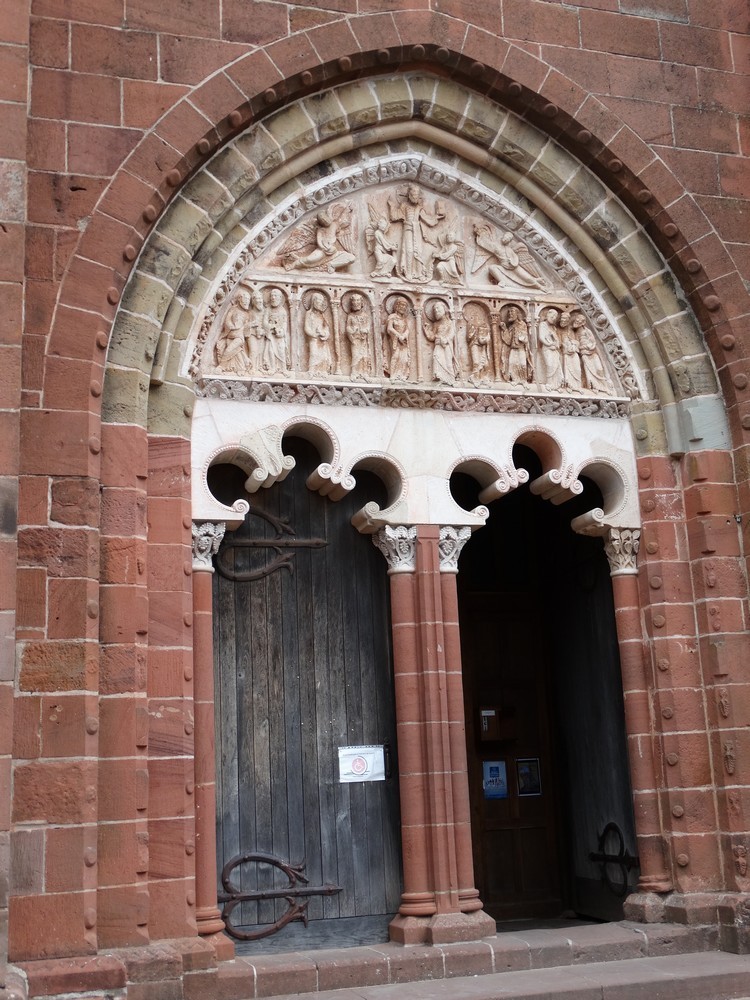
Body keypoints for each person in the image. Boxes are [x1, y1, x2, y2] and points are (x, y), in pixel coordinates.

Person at [388, 183, 444, 282]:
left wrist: (436, 217)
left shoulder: (419, 208)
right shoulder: (404, 205)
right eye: (413, 194)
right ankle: (408, 272)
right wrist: (392, 206)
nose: (415, 197)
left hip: (417, 231)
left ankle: (419, 274)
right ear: (409, 195)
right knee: (409, 250)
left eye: (417, 195)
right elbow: (395, 216)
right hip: (408, 229)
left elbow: (427, 219)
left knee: (418, 251)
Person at [575, 313, 614, 394]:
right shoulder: (575, 333)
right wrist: (582, 347)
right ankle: (593, 387)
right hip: (584, 352)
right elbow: (576, 344)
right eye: (576, 321)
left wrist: (591, 347)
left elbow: (593, 341)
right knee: (588, 369)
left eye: (579, 321)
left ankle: (603, 386)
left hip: (592, 351)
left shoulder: (587, 330)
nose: (577, 322)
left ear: (583, 323)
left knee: (599, 368)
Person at [215, 289, 249, 373]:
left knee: (229, 350)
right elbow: (227, 320)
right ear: (239, 299)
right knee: (236, 353)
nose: (246, 302)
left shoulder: (246, 314)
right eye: (245, 300)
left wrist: (247, 326)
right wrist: (232, 326)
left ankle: (221, 366)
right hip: (230, 335)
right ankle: (241, 368)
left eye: (248, 300)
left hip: (239, 337)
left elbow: (246, 329)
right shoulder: (233, 309)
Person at [426, 300, 460, 385]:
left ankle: (451, 379)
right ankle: (441, 378)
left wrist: (445, 339)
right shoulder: (435, 324)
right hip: (438, 345)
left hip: (447, 345)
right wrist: (426, 330)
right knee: (436, 358)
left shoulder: (449, 322)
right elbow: (432, 337)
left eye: (438, 309)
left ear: (444, 309)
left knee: (448, 361)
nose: (436, 311)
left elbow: (452, 333)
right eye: (434, 311)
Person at [499, 305, 532, 384]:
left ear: (517, 314)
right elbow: (508, 341)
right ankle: (515, 380)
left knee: (522, 364)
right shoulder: (511, 327)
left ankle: (523, 380)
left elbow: (526, 337)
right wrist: (504, 329)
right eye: (509, 312)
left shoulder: (522, 324)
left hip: (521, 348)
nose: (510, 314)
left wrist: (523, 338)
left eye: (512, 312)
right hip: (513, 348)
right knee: (512, 364)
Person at [261, 287, 289, 375]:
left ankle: (283, 369)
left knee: (281, 351)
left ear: (280, 298)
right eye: (272, 296)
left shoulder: (283, 311)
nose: (273, 298)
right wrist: (271, 326)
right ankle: (272, 368)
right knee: (270, 351)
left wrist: (282, 332)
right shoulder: (268, 309)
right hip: (270, 335)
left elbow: (284, 324)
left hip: (279, 336)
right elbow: (264, 322)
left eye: (275, 296)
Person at [345, 293, 372, 380]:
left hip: (363, 339)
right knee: (356, 355)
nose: (356, 303)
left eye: (358, 301)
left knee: (364, 356)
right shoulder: (350, 316)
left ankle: (364, 373)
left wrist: (366, 330)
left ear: (361, 303)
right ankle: (354, 372)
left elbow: (368, 326)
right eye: (354, 301)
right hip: (355, 339)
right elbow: (348, 327)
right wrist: (352, 330)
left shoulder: (365, 316)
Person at [304, 291, 333, 376]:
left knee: (323, 355)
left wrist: (324, 333)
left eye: (321, 301)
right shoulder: (309, 313)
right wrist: (313, 334)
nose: (320, 303)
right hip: (313, 339)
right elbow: (306, 327)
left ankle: (323, 370)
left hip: (322, 340)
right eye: (318, 300)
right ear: (313, 301)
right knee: (314, 354)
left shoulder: (322, 315)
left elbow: (327, 328)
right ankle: (312, 370)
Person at [536, 307, 564, 390]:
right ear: (548, 316)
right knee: (550, 364)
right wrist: (549, 344)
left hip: (554, 350)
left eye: (555, 318)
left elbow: (557, 340)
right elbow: (541, 337)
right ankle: (549, 383)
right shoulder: (542, 325)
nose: (553, 319)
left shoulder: (553, 328)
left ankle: (557, 385)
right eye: (552, 317)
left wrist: (555, 344)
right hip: (547, 348)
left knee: (557, 365)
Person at [385, 296, 412, 380]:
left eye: (405, 306)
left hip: (403, 340)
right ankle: (393, 375)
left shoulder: (404, 319)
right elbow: (389, 328)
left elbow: (407, 329)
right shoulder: (392, 317)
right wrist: (398, 335)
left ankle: (402, 375)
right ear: (397, 306)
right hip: (395, 340)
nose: (403, 307)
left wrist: (404, 335)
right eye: (401, 305)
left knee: (404, 359)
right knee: (395, 356)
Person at [560, 310, 583, 392]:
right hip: (566, 352)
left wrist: (574, 344)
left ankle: (578, 386)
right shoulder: (558, 330)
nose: (563, 321)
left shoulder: (572, 330)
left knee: (577, 369)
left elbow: (578, 341)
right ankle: (569, 386)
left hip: (574, 352)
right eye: (562, 320)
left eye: (565, 320)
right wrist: (565, 345)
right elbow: (559, 342)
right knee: (567, 369)